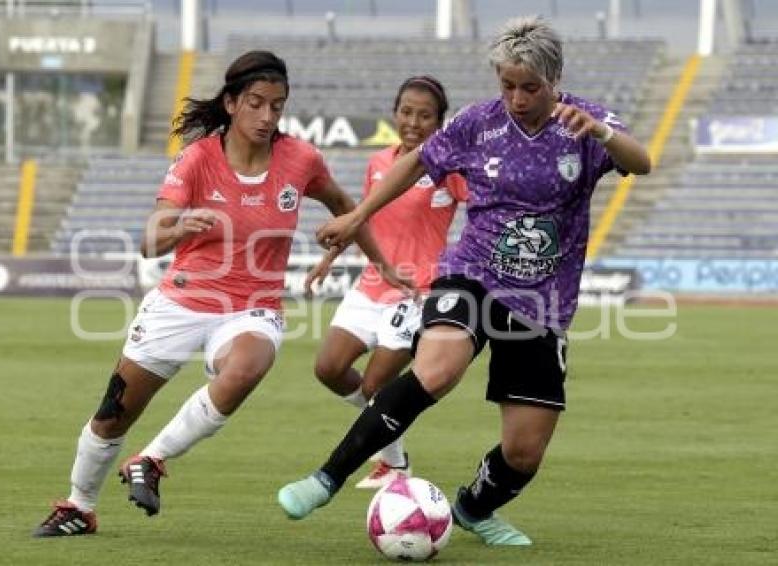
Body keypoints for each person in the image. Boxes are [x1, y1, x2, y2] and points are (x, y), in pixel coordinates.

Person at [277, 16, 651, 547]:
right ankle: (326, 478)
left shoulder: (585, 121)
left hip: (541, 302)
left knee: (524, 452)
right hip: (470, 272)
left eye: (530, 87)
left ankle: (474, 508)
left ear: (554, 78)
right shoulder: (478, 124)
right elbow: (412, 166)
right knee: (437, 369)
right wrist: (358, 217)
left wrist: (605, 134)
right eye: (507, 84)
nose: (517, 98)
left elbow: (643, 161)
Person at [33, 50, 410, 537]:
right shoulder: (197, 160)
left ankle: (152, 459)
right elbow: (149, 240)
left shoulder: (300, 159)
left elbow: (346, 208)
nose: (267, 116)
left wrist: (373, 258)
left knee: (248, 366)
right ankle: (79, 507)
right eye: (256, 103)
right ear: (232, 103)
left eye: (277, 105)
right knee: (113, 415)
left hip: (253, 308)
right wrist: (179, 226)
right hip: (181, 302)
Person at [308, 76, 467, 489]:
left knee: (377, 383)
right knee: (328, 367)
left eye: (425, 115)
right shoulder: (379, 163)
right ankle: (394, 457)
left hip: (417, 292)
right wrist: (329, 258)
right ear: (395, 113)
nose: (413, 122)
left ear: (439, 122)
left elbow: (484, 206)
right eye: (406, 112)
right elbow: (361, 220)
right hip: (372, 283)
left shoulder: (447, 168)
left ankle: (391, 462)